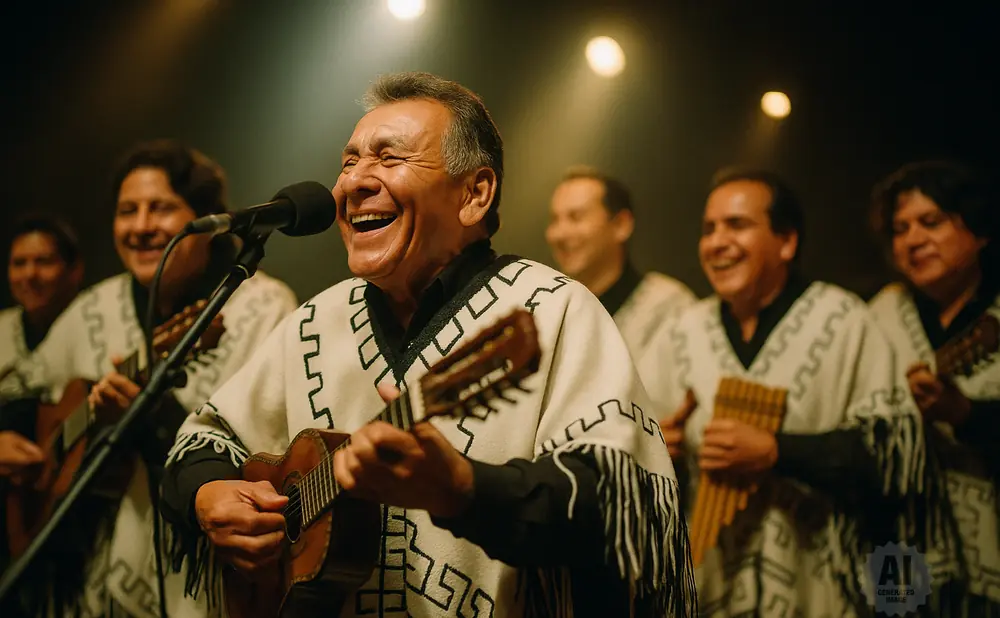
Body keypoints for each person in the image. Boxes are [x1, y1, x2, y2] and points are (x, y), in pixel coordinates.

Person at [160, 72, 697, 618]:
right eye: (349, 163)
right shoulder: (314, 321)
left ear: (474, 194)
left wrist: (464, 488)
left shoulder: (552, 308)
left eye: (389, 159)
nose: (352, 184)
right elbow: (207, 437)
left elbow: (622, 504)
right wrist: (210, 495)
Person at [11, 140, 298, 618]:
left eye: (161, 208)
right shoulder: (94, 307)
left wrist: (149, 415)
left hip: (193, 580)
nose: (141, 227)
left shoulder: (263, 307)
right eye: (128, 211)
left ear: (208, 218)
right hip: (78, 580)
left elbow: (262, 456)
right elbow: (23, 386)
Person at [642, 168, 923, 616]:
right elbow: (633, 454)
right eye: (708, 229)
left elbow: (898, 457)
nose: (717, 242)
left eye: (737, 225)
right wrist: (658, 449)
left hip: (822, 591)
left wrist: (778, 451)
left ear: (787, 241)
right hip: (712, 589)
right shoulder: (682, 330)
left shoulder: (845, 320)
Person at [868, 161, 1000, 616]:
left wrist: (966, 414)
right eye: (900, 229)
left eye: (931, 222)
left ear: (980, 231)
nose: (912, 239)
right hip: (896, 542)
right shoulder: (879, 314)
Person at [545, 166, 696, 365]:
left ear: (621, 225)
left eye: (576, 217)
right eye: (554, 219)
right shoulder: (549, 310)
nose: (559, 234)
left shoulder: (671, 308)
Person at [1, 215, 84, 475]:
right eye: (19, 263)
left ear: (74, 270)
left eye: (43, 262)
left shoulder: (95, 325)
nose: (29, 274)